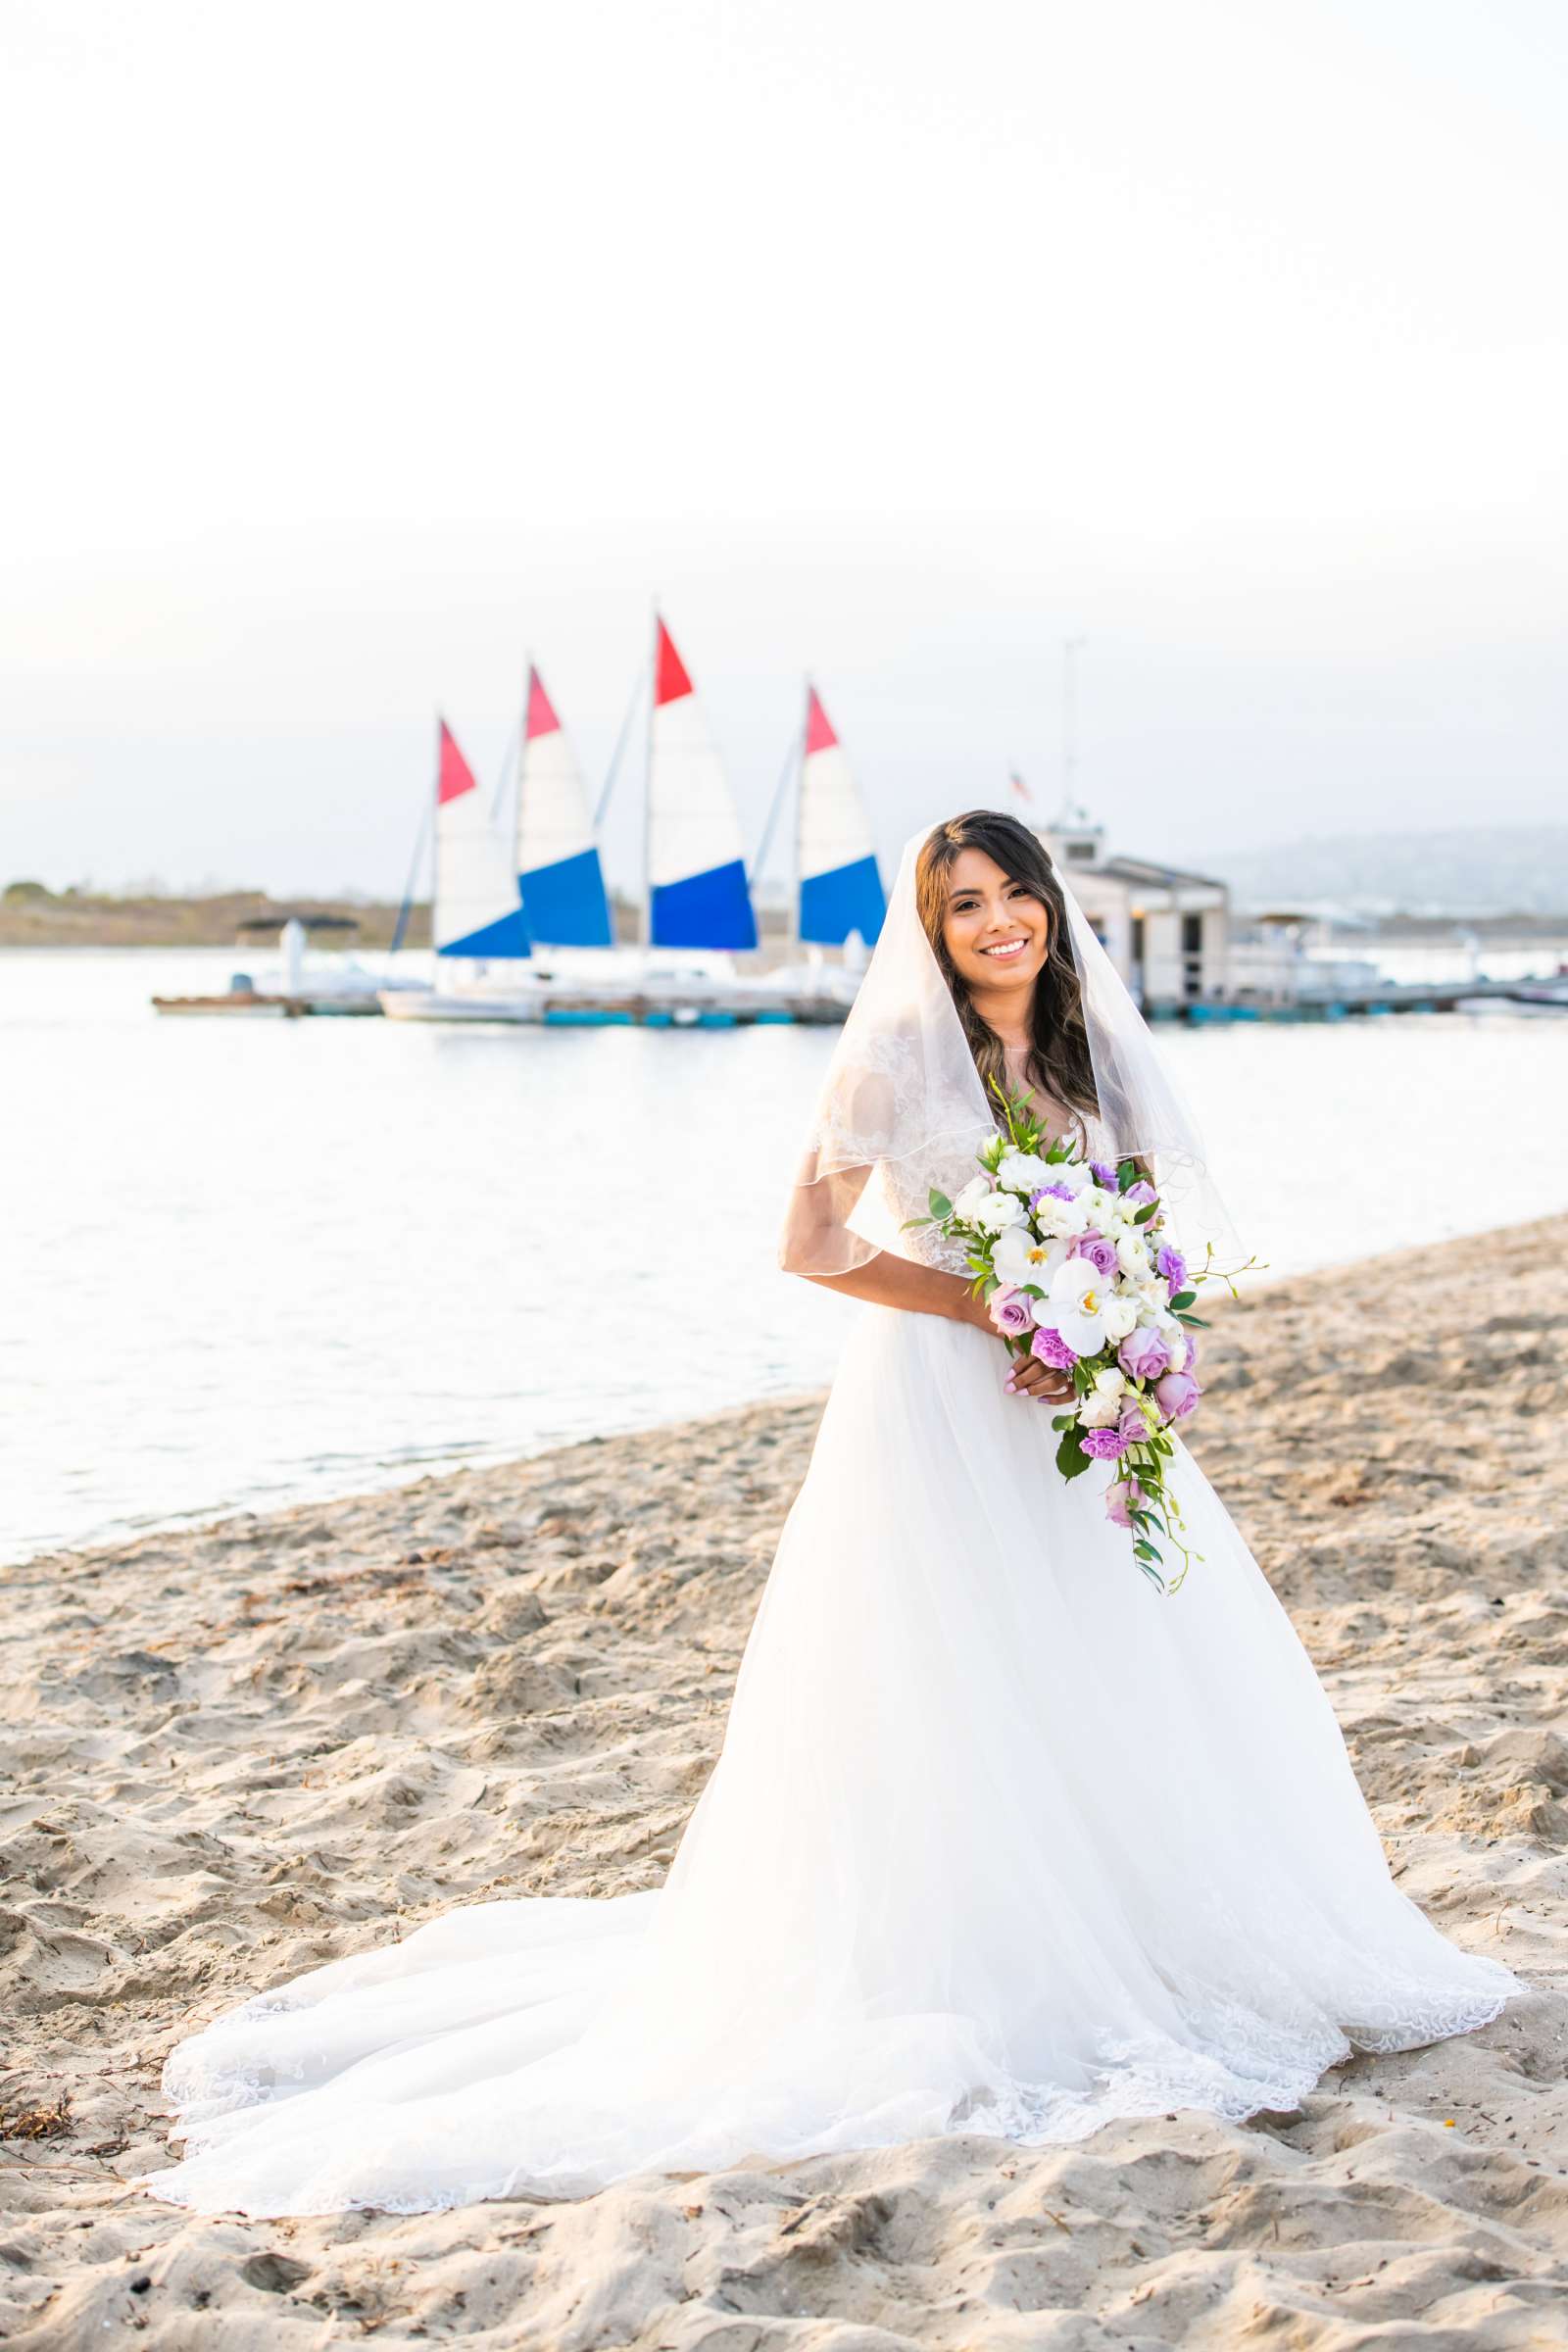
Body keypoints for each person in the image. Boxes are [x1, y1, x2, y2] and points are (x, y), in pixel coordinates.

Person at [141, 809, 1517, 2220]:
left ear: (1049, 905)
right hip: (938, 1398)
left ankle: (1158, 1919)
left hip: (1082, 1398)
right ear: (932, 930)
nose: (999, 923)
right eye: (965, 904)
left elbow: (1141, 1226)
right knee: (953, 1662)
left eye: (1015, 895)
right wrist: (988, 1302)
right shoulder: (898, 1056)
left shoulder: (1097, 1042)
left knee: (1122, 1648)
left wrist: (1137, 1338)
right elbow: (810, 1243)